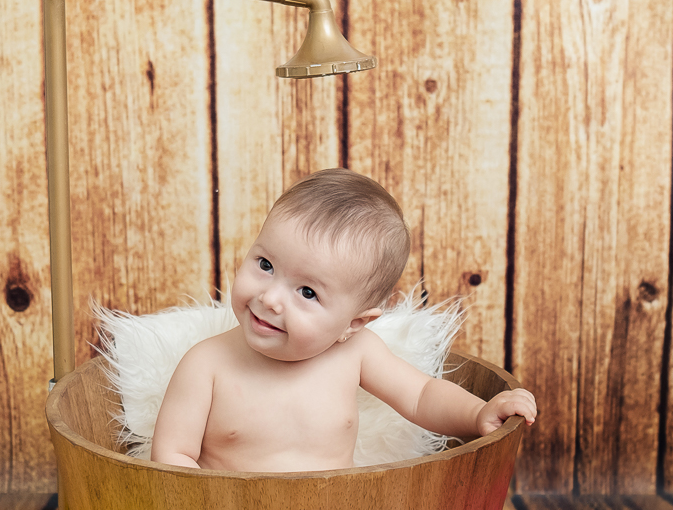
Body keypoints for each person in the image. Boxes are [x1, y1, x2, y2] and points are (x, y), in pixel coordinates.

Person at [150, 168, 537, 472]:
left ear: (353, 324)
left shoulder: (357, 353)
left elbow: (422, 396)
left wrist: (477, 414)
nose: (269, 298)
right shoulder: (206, 364)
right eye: (265, 265)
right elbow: (171, 456)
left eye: (307, 293)